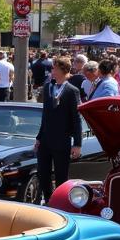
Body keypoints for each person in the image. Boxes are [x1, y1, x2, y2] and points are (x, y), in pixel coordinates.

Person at [34, 56, 82, 203]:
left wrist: (77, 144)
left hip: (62, 140)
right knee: (43, 174)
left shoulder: (72, 90)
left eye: (54, 68)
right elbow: (45, 115)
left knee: (61, 176)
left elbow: (76, 118)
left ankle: (61, 203)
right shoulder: (49, 86)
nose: (52, 71)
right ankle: (48, 200)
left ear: (62, 70)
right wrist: (39, 137)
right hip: (46, 140)